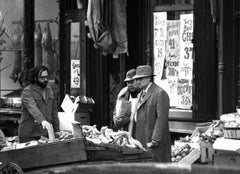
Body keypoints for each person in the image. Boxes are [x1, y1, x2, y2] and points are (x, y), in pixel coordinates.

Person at [132, 65, 171, 162]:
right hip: (140, 138)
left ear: (149, 78)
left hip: (152, 140)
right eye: (136, 79)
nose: (137, 82)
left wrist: (155, 139)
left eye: (140, 79)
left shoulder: (160, 93)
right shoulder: (140, 94)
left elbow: (161, 118)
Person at [18, 65, 60, 143]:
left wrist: (57, 129)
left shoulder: (49, 89)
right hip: (29, 134)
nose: (46, 80)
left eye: (46, 77)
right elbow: (32, 108)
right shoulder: (27, 91)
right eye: (42, 78)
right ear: (35, 78)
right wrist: (42, 121)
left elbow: (54, 111)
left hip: (46, 133)